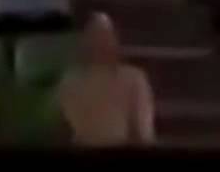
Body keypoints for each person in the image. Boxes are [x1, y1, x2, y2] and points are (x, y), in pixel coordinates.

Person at [57, 12, 157, 146]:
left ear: (115, 40)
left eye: (105, 36)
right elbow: (65, 126)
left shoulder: (134, 78)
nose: (99, 42)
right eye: (94, 36)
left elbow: (143, 131)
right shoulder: (70, 80)